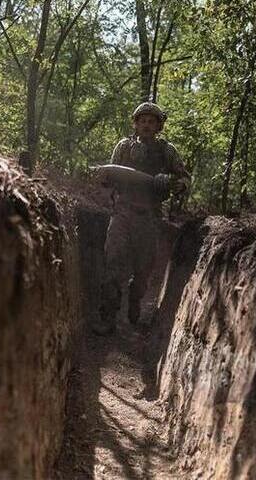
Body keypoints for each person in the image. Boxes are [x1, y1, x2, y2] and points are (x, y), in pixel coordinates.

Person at [93, 102, 190, 335]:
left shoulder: (167, 151)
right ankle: (108, 317)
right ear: (135, 124)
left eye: (151, 122)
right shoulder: (124, 147)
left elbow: (185, 179)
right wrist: (104, 182)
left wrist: (171, 182)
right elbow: (108, 175)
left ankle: (135, 299)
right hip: (122, 213)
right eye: (142, 121)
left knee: (143, 271)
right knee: (113, 263)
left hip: (149, 217)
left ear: (158, 126)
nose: (146, 125)